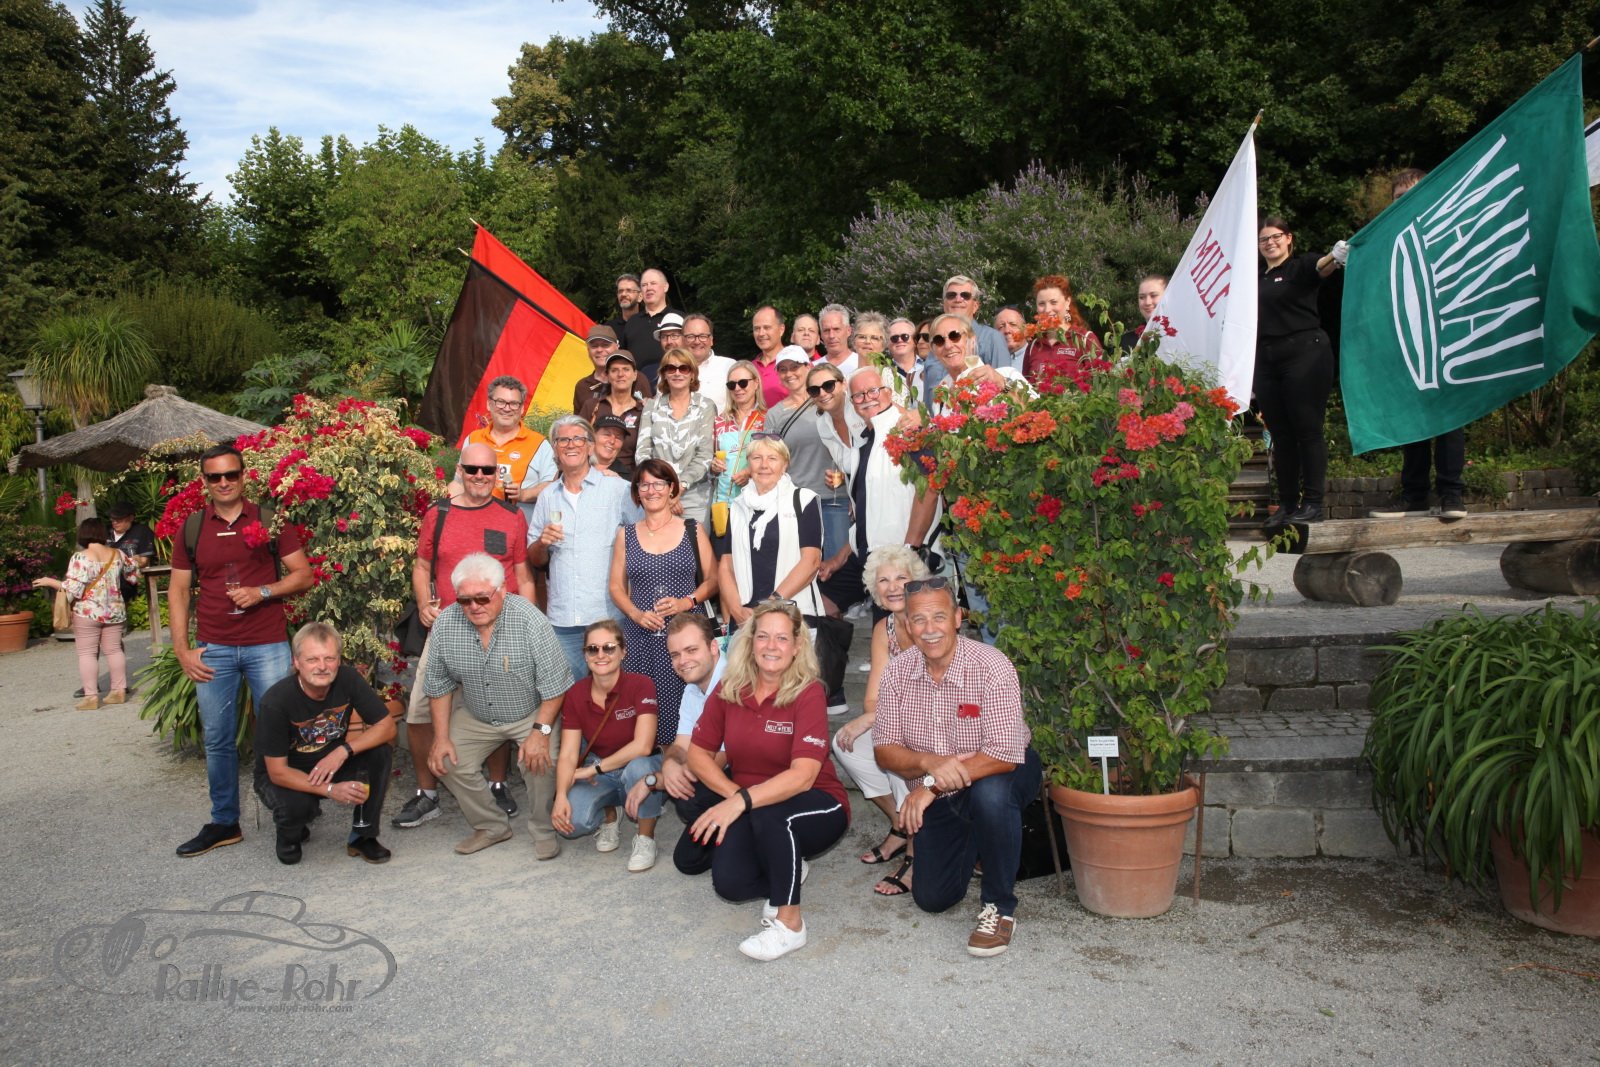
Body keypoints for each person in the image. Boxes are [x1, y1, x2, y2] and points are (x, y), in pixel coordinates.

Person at [872, 577, 1043, 957]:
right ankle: (983, 836)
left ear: (957, 618)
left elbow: (1004, 753)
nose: (929, 629)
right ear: (907, 624)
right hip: (944, 793)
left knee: (990, 797)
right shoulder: (897, 672)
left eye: (938, 616)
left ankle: (998, 907)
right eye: (919, 619)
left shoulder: (992, 665)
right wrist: (927, 762)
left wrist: (930, 785)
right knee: (933, 899)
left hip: (1001, 771)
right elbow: (884, 751)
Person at [168, 446, 313, 858]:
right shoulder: (193, 528)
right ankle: (224, 822)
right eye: (214, 477)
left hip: (266, 643)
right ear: (204, 482)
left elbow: (303, 575)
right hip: (213, 647)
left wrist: (263, 591)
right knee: (217, 740)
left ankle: (290, 819)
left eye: (230, 474)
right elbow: (178, 591)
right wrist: (182, 650)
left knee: (281, 733)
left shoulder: (268, 520)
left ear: (244, 476)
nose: (224, 482)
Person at [686, 599, 850, 961]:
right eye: (763, 636)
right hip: (752, 802)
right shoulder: (730, 686)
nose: (771, 646)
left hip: (820, 803)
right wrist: (736, 796)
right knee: (730, 883)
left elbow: (803, 776)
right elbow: (697, 755)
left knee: (773, 814)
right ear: (750, 642)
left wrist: (742, 801)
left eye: (781, 638)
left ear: (796, 646)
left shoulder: (809, 691)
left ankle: (790, 925)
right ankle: (789, 864)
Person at [394, 441, 536, 831]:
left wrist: (529, 623)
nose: (479, 477)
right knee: (420, 712)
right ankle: (427, 793)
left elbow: (523, 575)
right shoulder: (438, 514)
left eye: (487, 470)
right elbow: (421, 565)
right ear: (460, 470)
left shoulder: (511, 516)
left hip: (500, 628)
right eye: (471, 469)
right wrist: (423, 604)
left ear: (497, 474)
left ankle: (496, 784)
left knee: (497, 707)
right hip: (447, 628)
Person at [424, 552, 573, 858]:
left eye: (482, 597)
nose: (474, 606)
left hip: (531, 711)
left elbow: (556, 686)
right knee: (446, 760)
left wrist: (540, 732)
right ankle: (491, 826)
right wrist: (441, 738)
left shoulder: (530, 620)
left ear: (502, 590)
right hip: (477, 713)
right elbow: (438, 685)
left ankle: (543, 829)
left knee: (541, 759)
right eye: (465, 600)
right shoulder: (445, 625)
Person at [252, 622, 395, 865]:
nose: (322, 666)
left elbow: (387, 726)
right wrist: (330, 790)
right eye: (312, 659)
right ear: (296, 662)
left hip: (328, 761)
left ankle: (362, 836)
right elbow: (277, 772)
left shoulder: (348, 679)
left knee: (379, 753)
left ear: (339, 660)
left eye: (329, 658)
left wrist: (343, 750)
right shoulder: (276, 702)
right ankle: (291, 832)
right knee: (298, 808)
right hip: (285, 774)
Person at [831, 545, 929, 897]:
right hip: (899, 718)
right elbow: (872, 698)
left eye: (901, 578)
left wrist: (876, 716)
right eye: (883, 580)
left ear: (916, 582)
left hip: (938, 729)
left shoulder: (930, 622)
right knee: (847, 744)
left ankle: (917, 855)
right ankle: (901, 824)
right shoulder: (883, 628)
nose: (892, 587)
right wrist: (872, 717)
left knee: (898, 747)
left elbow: (933, 697)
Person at [1370, 168, 1467, 521]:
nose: (1405, 200)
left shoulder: (1445, 229)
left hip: (1447, 336)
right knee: (1412, 420)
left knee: (1449, 418)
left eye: (1412, 192)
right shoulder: (1384, 239)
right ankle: (1414, 496)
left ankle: (1452, 494)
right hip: (1406, 339)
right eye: (1399, 196)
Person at [610, 460, 717, 752]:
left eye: (659, 483)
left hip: (686, 640)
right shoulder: (626, 535)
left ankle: (685, 767)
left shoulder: (692, 529)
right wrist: (636, 614)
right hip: (641, 638)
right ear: (637, 492)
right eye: (644, 484)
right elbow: (616, 587)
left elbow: (713, 579)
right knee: (643, 711)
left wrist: (686, 601)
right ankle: (651, 768)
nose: (651, 490)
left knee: (690, 711)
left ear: (672, 489)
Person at [528, 414, 640, 681]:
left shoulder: (618, 489)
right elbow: (535, 558)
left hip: (608, 615)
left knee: (613, 691)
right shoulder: (547, 496)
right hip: (563, 619)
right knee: (570, 695)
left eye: (578, 439)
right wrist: (542, 543)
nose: (571, 445)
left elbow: (644, 539)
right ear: (555, 449)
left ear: (590, 446)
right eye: (563, 440)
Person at [550, 620, 664, 872]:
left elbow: (643, 746)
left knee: (640, 768)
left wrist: (594, 769)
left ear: (623, 652)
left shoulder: (641, 684)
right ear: (585, 655)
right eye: (593, 649)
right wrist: (560, 796)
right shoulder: (575, 694)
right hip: (602, 772)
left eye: (609, 647)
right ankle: (611, 814)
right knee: (571, 823)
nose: (600, 654)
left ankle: (646, 837)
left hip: (638, 767)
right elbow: (568, 754)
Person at [1255, 215, 1344, 529]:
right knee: (1280, 435)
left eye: (1276, 237)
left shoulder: (1299, 266)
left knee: (1307, 429)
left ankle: (1313, 503)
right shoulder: (1253, 277)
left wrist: (1335, 256)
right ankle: (1288, 504)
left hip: (1305, 353)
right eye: (1264, 239)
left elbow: (1322, 267)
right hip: (1267, 359)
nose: (1270, 243)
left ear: (1288, 238)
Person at [624, 613, 727, 875]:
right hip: (718, 774)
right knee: (687, 861)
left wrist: (653, 780)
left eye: (691, 650)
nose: (682, 661)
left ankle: (749, 837)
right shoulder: (692, 688)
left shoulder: (732, 682)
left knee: (688, 797)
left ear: (713, 647)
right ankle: (734, 838)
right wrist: (670, 765)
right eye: (675, 654)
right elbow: (681, 746)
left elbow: (716, 761)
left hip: (750, 779)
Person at [716, 436, 823, 630]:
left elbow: (811, 561)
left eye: (772, 458)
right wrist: (736, 609)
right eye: (757, 458)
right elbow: (726, 565)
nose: (764, 465)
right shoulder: (738, 505)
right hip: (744, 618)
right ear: (748, 464)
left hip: (793, 614)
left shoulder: (804, 500)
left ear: (785, 465)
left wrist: (771, 605)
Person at [33, 518, 134, 710]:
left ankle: (91, 697)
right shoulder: (118, 553)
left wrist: (49, 581)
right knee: (114, 650)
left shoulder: (80, 557)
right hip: (114, 610)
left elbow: (73, 589)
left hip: (88, 611)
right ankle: (119, 691)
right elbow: (133, 575)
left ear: (83, 533)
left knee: (87, 653)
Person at [451, 374, 557, 525]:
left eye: (514, 404)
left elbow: (552, 486)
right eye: (500, 402)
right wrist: (443, 510)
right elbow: (458, 483)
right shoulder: (473, 439)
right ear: (489, 404)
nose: (507, 409)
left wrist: (524, 494)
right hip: (473, 524)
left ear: (522, 408)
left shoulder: (540, 444)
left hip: (519, 526)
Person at [809, 362, 867, 617]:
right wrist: (844, 480)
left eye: (828, 385)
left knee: (890, 604)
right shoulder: (823, 424)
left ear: (843, 384)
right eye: (814, 390)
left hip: (886, 521)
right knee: (824, 601)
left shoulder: (863, 410)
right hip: (862, 521)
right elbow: (851, 467)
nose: (822, 393)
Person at [635, 347, 717, 524]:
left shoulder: (706, 406)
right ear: (664, 374)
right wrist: (663, 490)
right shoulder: (652, 406)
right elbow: (643, 452)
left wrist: (679, 489)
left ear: (692, 374)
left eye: (684, 368)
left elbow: (705, 454)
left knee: (695, 542)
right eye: (671, 368)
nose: (677, 373)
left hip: (695, 495)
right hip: (656, 494)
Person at [923, 275, 1012, 404]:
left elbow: (1004, 386)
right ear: (944, 304)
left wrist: (1005, 386)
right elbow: (927, 400)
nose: (958, 299)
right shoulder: (937, 343)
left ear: (975, 306)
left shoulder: (992, 338)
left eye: (965, 295)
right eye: (951, 295)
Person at [928, 313, 1026, 415]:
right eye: (938, 340)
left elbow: (1034, 410)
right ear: (933, 350)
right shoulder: (942, 392)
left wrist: (1003, 385)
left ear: (972, 340)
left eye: (955, 336)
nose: (948, 345)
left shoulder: (1007, 374)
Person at [1021, 274, 1105, 391]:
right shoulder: (1033, 346)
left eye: (1053, 302)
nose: (1047, 309)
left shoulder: (1084, 338)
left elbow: (1101, 385)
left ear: (1067, 302)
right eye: (1041, 304)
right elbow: (1026, 391)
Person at [710, 359, 768, 519]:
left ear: (756, 383)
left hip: (758, 501)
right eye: (732, 385)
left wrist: (750, 472)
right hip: (724, 503)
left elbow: (775, 459)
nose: (737, 389)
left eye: (743, 383)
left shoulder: (767, 418)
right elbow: (710, 460)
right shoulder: (719, 421)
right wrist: (713, 466)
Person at [575, 325, 653, 420]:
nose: (599, 350)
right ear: (588, 350)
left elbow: (650, 414)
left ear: (617, 346)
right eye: (594, 346)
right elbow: (578, 424)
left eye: (605, 345)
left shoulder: (638, 379)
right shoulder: (582, 386)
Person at [590, 349, 646, 479]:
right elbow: (579, 440)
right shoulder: (593, 406)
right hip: (591, 474)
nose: (620, 374)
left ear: (635, 375)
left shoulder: (643, 410)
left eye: (626, 369)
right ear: (607, 376)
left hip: (629, 478)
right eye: (614, 370)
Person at [618, 267, 681, 382]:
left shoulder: (680, 319)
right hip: (637, 386)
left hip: (674, 382)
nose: (648, 288)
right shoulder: (632, 322)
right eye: (644, 285)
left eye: (653, 283)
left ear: (665, 287)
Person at [105, 502, 155, 607]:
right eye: (112, 519)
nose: (115, 522)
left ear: (131, 518)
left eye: (119, 519)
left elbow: (144, 561)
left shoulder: (141, 531)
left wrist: (136, 561)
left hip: (129, 584)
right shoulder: (105, 531)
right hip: (105, 583)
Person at [684, 313, 735, 412]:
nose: (697, 341)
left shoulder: (729, 366)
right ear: (683, 340)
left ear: (711, 340)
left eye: (703, 336)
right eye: (690, 336)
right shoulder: (671, 370)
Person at [751, 306, 792, 407]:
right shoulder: (750, 368)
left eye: (767, 327)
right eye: (757, 328)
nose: (761, 333)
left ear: (781, 329)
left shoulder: (797, 364)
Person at [883, 317, 925, 408]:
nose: (899, 340)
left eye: (905, 337)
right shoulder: (881, 374)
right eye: (894, 338)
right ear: (888, 343)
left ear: (915, 340)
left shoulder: (930, 367)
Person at [817, 303, 859, 377]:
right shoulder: (814, 368)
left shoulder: (860, 364)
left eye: (836, 329)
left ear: (848, 331)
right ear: (821, 335)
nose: (831, 336)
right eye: (826, 330)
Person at [591, 414, 631, 478]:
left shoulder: (627, 478)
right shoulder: (577, 463)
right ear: (593, 435)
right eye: (607, 434)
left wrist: (619, 482)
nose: (612, 441)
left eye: (618, 437)